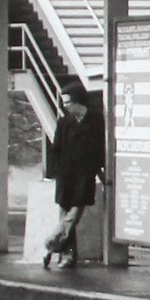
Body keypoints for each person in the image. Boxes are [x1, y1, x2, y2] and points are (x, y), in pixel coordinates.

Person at [42, 89, 104, 270]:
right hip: (65, 176)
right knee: (66, 217)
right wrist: (57, 171)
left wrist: (99, 170)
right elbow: (56, 149)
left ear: (78, 102)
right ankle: (68, 256)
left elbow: (100, 148)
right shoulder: (63, 123)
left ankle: (50, 244)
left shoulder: (96, 122)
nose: (65, 106)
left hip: (84, 176)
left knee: (72, 217)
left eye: (68, 102)